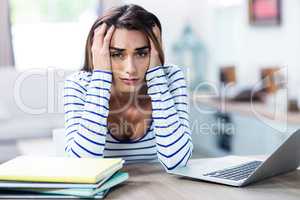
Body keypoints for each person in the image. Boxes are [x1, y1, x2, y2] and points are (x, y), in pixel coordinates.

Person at [64, 4, 193, 171]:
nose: (130, 68)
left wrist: (156, 74)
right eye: (117, 54)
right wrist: (101, 76)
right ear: (98, 53)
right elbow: (82, 166)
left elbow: (176, 161)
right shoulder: (78, 84)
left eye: (141, 53)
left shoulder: (170, 78)